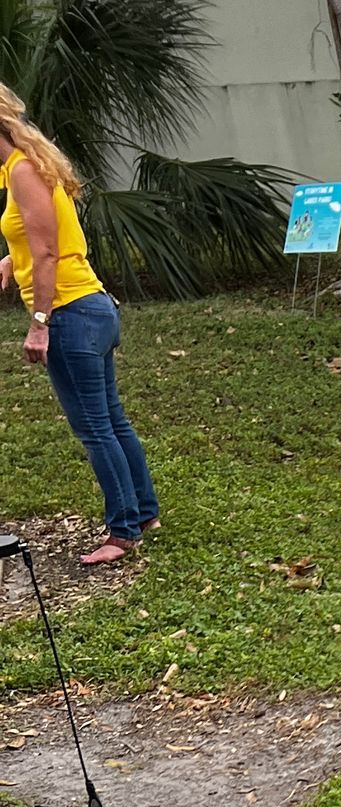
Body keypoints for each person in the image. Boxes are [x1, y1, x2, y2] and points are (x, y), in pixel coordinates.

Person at [0, 84, 157, 566]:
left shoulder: (23, 171)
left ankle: (123, 531)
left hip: (70, 314)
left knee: (95, 429)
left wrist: (40, 323)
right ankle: (144, 512)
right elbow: (45, 240)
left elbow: (48, 251)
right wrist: (11, 261)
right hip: (92, 306)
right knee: (111, 419)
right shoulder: (27, 165)